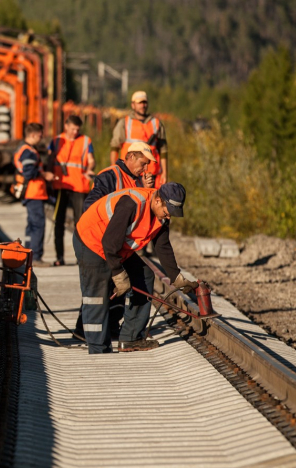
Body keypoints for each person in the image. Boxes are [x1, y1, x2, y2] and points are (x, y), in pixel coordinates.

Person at [73, 183, 198, 354]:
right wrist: (118, 274)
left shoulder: (161, 216)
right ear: (158, 200)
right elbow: (109, 244)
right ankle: (98, 349)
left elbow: (163, 246)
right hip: (91, 241)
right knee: (97, 293)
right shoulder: (132, 204)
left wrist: (176, 277)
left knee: (144, 276)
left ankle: (131, 338)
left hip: (116, 246)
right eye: (167, 211)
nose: (168, 217)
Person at [74, 142, 158, 339]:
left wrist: (146, 189)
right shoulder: (110, 176)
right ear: (129, 157)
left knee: (130, 279)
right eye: (142, 163)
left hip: (118, 245)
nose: (145, 169)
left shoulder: (135, 180)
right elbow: (91, 206)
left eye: (147, 165)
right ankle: (86, 331)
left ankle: (111, 329)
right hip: (102, 241)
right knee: (102, 285)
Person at [48, 115, 96, 266]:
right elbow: (50, 160)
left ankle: (80, 257)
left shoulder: (85, 141)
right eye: (73, 128)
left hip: (79, 186)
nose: (75, 131)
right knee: (59, 222)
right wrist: (49, 178)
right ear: (66, 125)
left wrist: (90, 169)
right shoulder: (56, 141)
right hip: (61, 186)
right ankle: (59, 257)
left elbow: (91, 160)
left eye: (77, 129)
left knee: (80, 223)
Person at [13, 122, 53, 265]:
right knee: (38, 225)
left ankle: (28, 254)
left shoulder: (24, 149)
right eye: (40, 135)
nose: (41, 138)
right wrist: (44, 175)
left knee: (31, 225)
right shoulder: (28, 151)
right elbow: (29, 172)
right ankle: (35, 257)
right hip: (34, 193)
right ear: (34, 135)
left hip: (31, 193)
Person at [111, 91, 168, 188]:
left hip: (151, 175)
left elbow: (163, 151)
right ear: (133, 105)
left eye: (145, 102)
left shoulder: (156, 123)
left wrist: (165, 173)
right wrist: (114, 170)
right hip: (130, 174)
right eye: (139, 103)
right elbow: (114, 148)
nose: (143, 105)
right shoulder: (124, 123)